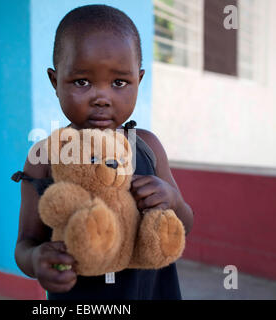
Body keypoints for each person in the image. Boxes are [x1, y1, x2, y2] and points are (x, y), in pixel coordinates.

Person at [13, 5, 194, 300]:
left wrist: (172, 200)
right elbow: (26, 243)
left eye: (119, 83)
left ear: (139, 80)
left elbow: (185, 225)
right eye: (82, 82)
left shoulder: (147, 147)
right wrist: (36, 260)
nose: (102, 97)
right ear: (55, 82)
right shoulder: (44, 156)